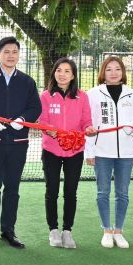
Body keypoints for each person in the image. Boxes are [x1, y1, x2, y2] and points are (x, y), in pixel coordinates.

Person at [0, 36, 41, 249]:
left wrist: (23, 119)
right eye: (6, 52)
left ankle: (8, 231)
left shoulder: (27, 81)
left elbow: (35, 107)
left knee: (12, 187)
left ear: (19, 55)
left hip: (18, 143)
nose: (11, 56)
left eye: (15, 52)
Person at [86, 56, 133, 249]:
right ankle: (106, 230)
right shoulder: (93, 94)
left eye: (118, 69)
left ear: (123, 72)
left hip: (127, 153)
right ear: (103, 72)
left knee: (123, 193)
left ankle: (118, 231)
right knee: (103, 192)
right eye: (109, 69)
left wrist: (132, 128)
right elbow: (88, 124)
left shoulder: (132, 95)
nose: (113, 73)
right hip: (102, 152)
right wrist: (89, 151)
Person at [38, 57, 95, 249]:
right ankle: (53, 230)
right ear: (54, 73)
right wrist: (50, 130)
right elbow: (42, 121)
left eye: (67, 71)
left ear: (73, 76)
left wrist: (88, 128)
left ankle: (67, 230)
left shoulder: (82, 96)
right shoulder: (45, 96)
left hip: (75, 150)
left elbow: (86, 120)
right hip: (51, 150)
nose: (62, 74)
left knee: (71, 191)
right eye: (59, 70)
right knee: (52, 190)